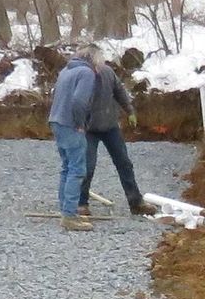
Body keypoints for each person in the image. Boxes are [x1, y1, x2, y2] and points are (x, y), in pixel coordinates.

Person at [83, 50, 144, 215]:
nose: (99, 65)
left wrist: (129, 111)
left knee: (124, 162)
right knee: (87, 166)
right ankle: (81, 203)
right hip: (88, 129)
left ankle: (136, 202)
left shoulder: (108, 72)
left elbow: (119, 92)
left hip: (110, 126)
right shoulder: (82, 77)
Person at [47, 49, 96, 231]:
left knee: (66, 167)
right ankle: (69, 216)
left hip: (55, 120)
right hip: (70, 124)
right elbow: (79, 101)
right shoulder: (86, 73)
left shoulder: (66, 71)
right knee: (77, 169)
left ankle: (65, 210)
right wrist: (80, 123)